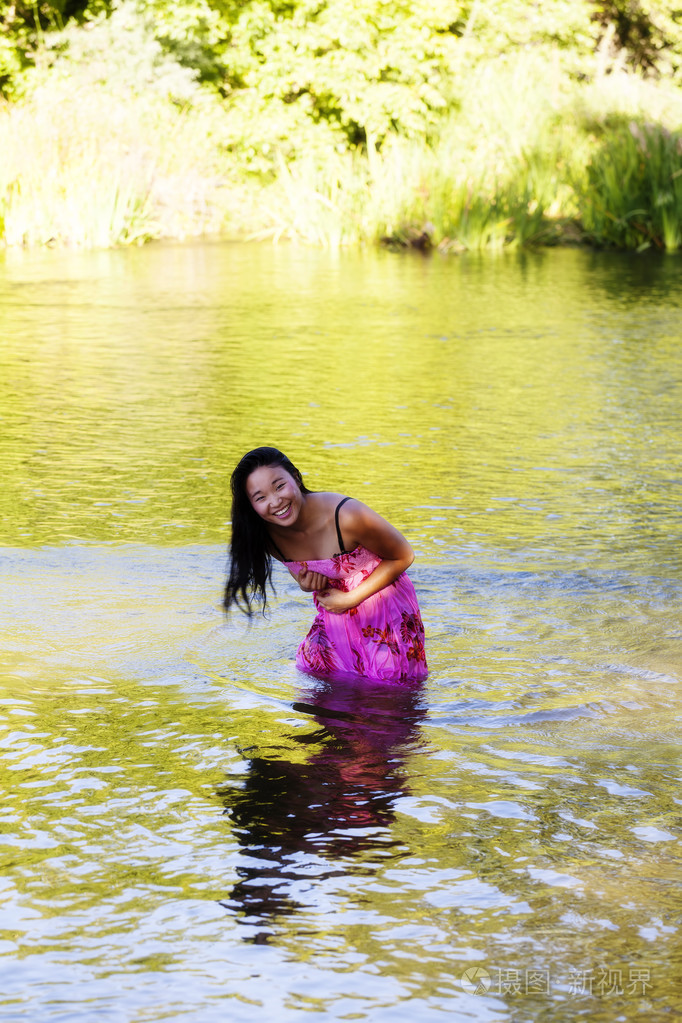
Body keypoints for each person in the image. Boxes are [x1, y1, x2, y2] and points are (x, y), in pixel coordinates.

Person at [224, 446, 427, 684]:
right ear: (251, 506)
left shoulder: (346, 516)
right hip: (335, 613)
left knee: (387, 693)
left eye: (279, 486)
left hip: (384, 609)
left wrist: (350, 599)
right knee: (316, 681)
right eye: (260, 497)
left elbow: (403, 556)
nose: (275, 501)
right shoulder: (268, 538)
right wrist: (305, 582)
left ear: (296, 478)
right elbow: (308, 569)